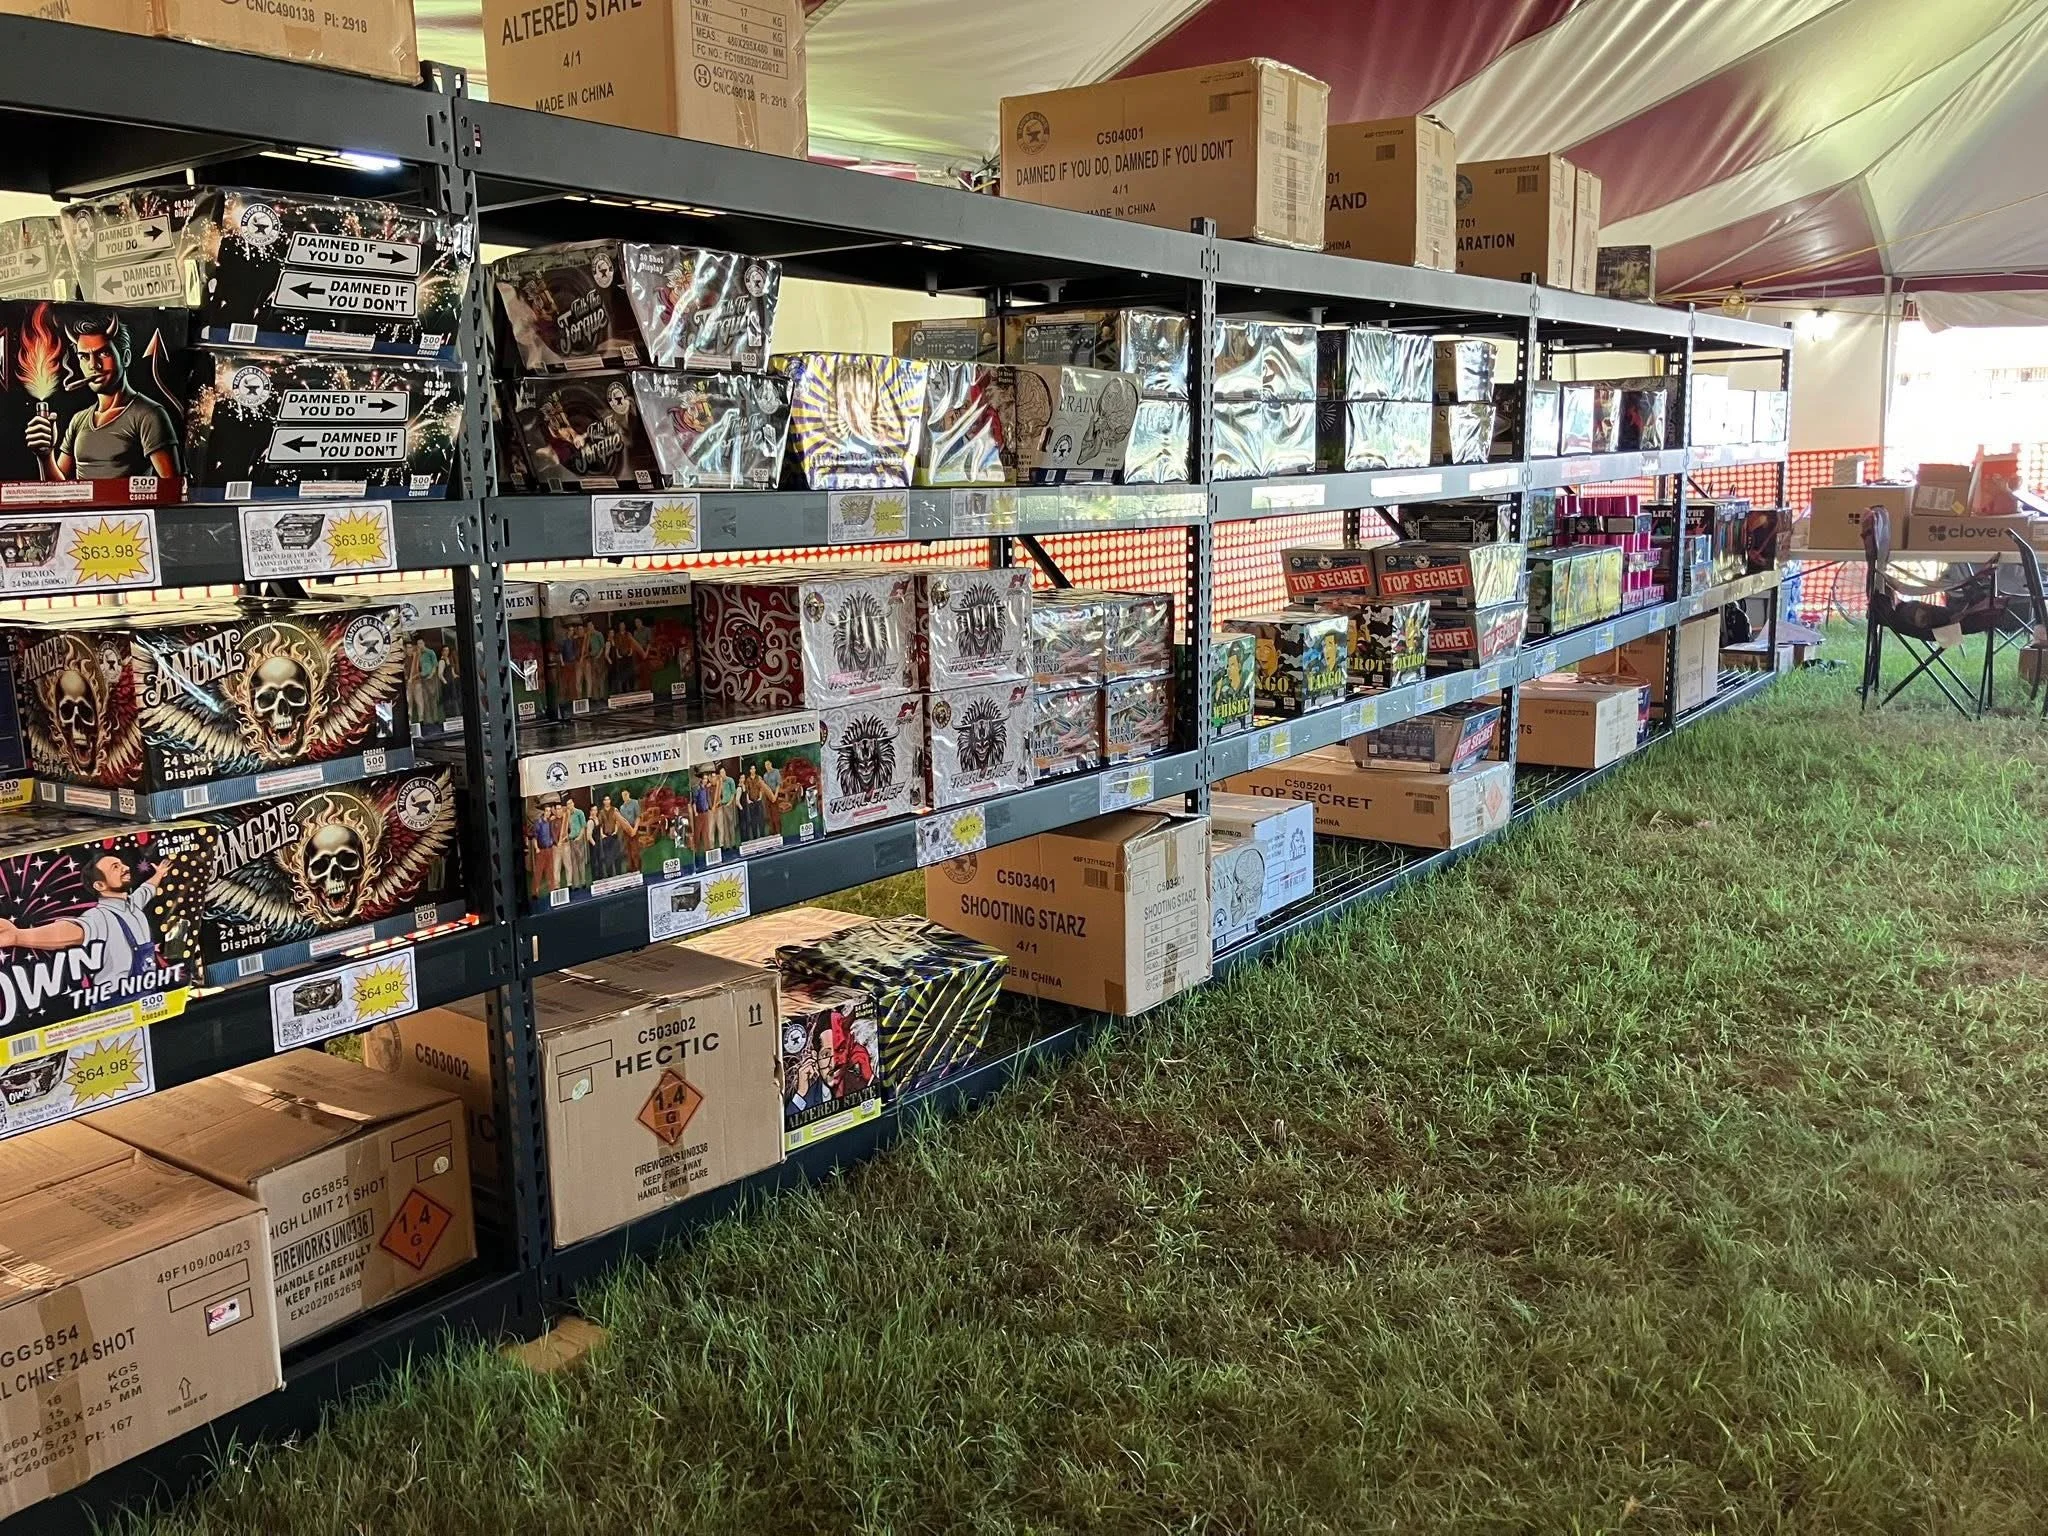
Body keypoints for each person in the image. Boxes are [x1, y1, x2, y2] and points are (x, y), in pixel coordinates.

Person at [25, 310, 181, 484]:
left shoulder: (149, 415)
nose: (93, 365)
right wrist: (46, 456)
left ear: (126, 357)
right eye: (84, 357)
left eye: (103, 353)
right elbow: (58, 491)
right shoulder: (79, 420)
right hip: (82, 512)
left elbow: (172, 489)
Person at [0, 844, 180, 988]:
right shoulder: (99, 916)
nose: (125, 867)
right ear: (100, 886)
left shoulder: (134, 903)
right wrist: (18, 936)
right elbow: (72, 931)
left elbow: (147, 888)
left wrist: (159, 874)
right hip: (115, 1003)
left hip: (146, 991)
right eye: (115, 867)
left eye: (121, 864)